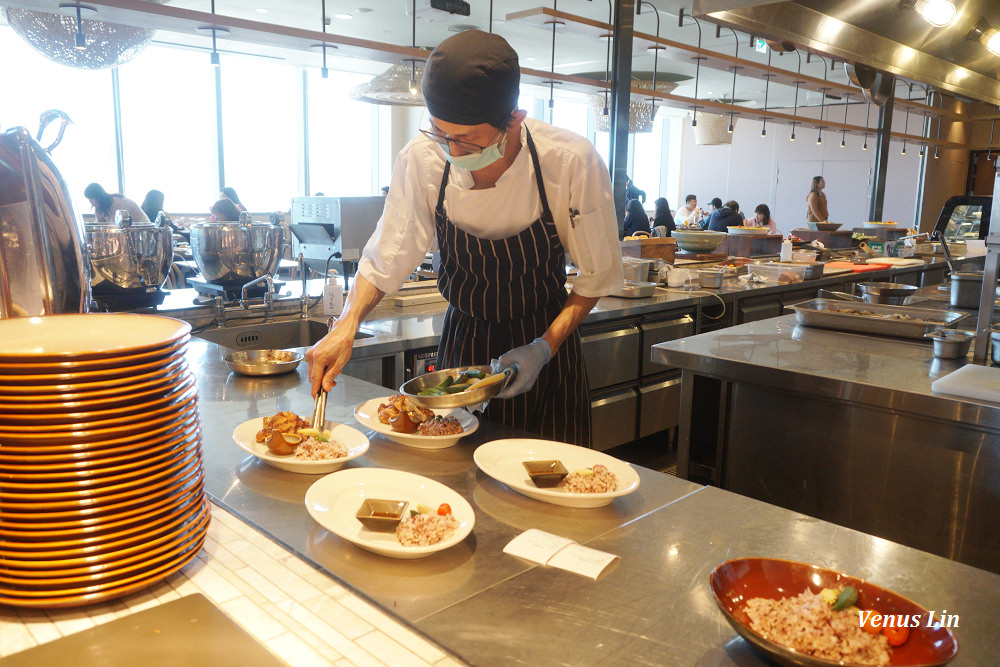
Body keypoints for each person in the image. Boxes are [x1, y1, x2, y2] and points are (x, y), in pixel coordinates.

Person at [306, 30, 622, 447]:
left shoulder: (568, 162)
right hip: (463, 348)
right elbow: (387, 257)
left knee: (550, 487)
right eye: (441, 133)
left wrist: (543, 348)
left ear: (514, 119)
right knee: (455, 485)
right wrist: (346, 326)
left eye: (467, 139)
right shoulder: (421, 158)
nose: (452, 150)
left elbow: (596, 275)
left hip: (546, 346)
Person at [83, 183, 148, 223]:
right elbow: (99, 226)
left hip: (141, 231)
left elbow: (115, 227)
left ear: (97, 197)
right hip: (130, 231)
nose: (90, 202)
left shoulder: (117, 203)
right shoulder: (102, 206)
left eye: (91, 199)